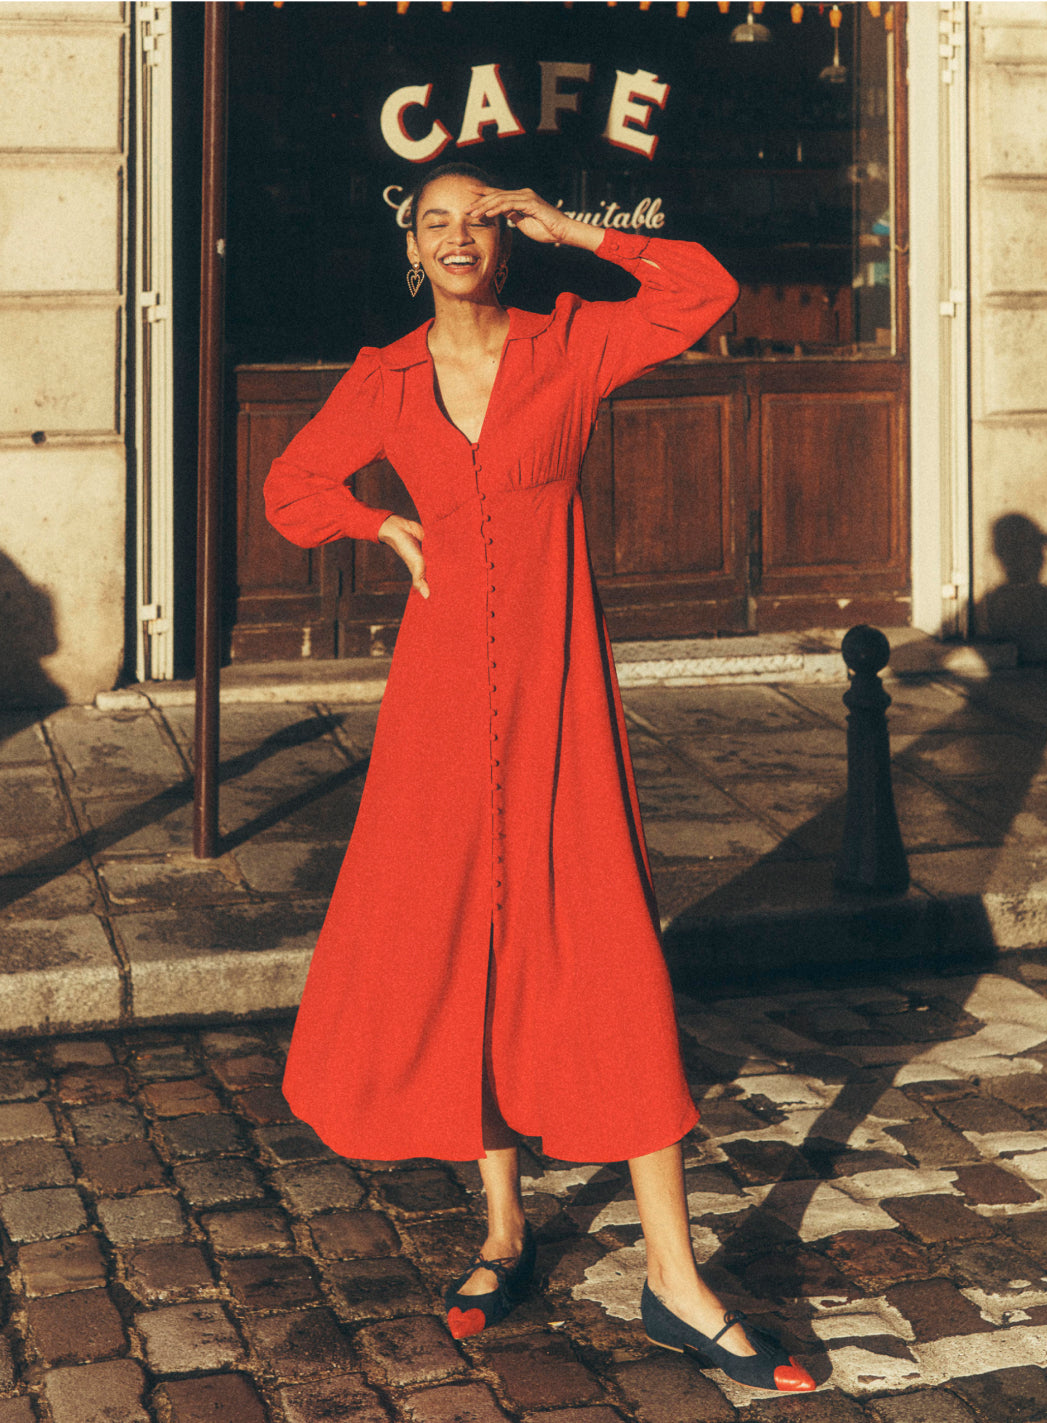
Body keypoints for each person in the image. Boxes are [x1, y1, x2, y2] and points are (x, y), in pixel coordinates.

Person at [264, 162, 815, 1394]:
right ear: (412, 246)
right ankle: (504, 1230)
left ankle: (674, 1279)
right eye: (437, 223)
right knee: (465, 943)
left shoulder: (569, 352)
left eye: (483, 221)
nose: (461, 239)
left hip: (562, 699)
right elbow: (292, 486)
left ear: (509, 242)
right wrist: (379, 524)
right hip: (441, 710)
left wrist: (585, 232)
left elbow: (704, 290)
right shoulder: (385, 377)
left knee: (608, 948)